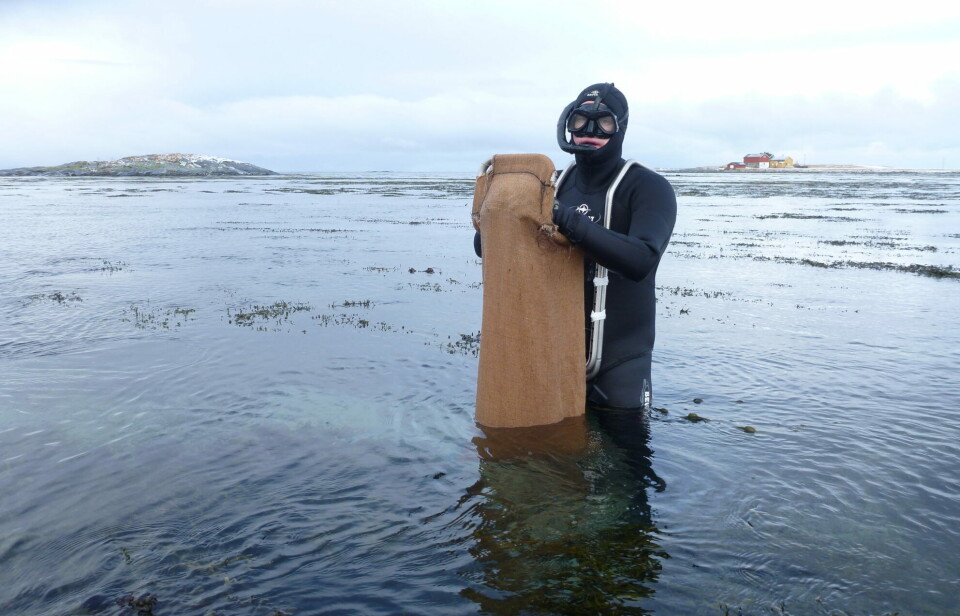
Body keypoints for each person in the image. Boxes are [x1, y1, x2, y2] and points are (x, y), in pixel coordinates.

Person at [474, 82, 676, 411]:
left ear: (620, 128)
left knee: (624, 459)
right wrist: (495, 218)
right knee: (545, 455)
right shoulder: (555, 185)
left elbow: (642, 260)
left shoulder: (647, 187)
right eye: (580, 121)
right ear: (567, 124)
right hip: (554, 355)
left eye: (604, 123)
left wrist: (566, 219)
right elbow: (488, 252)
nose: (589, 131)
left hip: (620, 362)